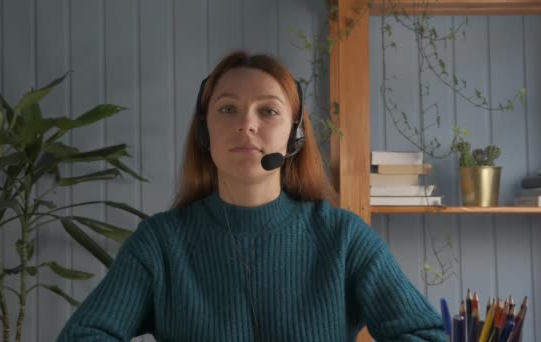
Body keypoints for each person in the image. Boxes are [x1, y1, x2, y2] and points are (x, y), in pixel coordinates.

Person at [57, 50, 446, 341]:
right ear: (204, 134)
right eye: (228, 109)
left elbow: (425, 334)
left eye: (268, 111)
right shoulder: (160, 243)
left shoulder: (343, 237)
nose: (246, 125)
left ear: (294, 135)